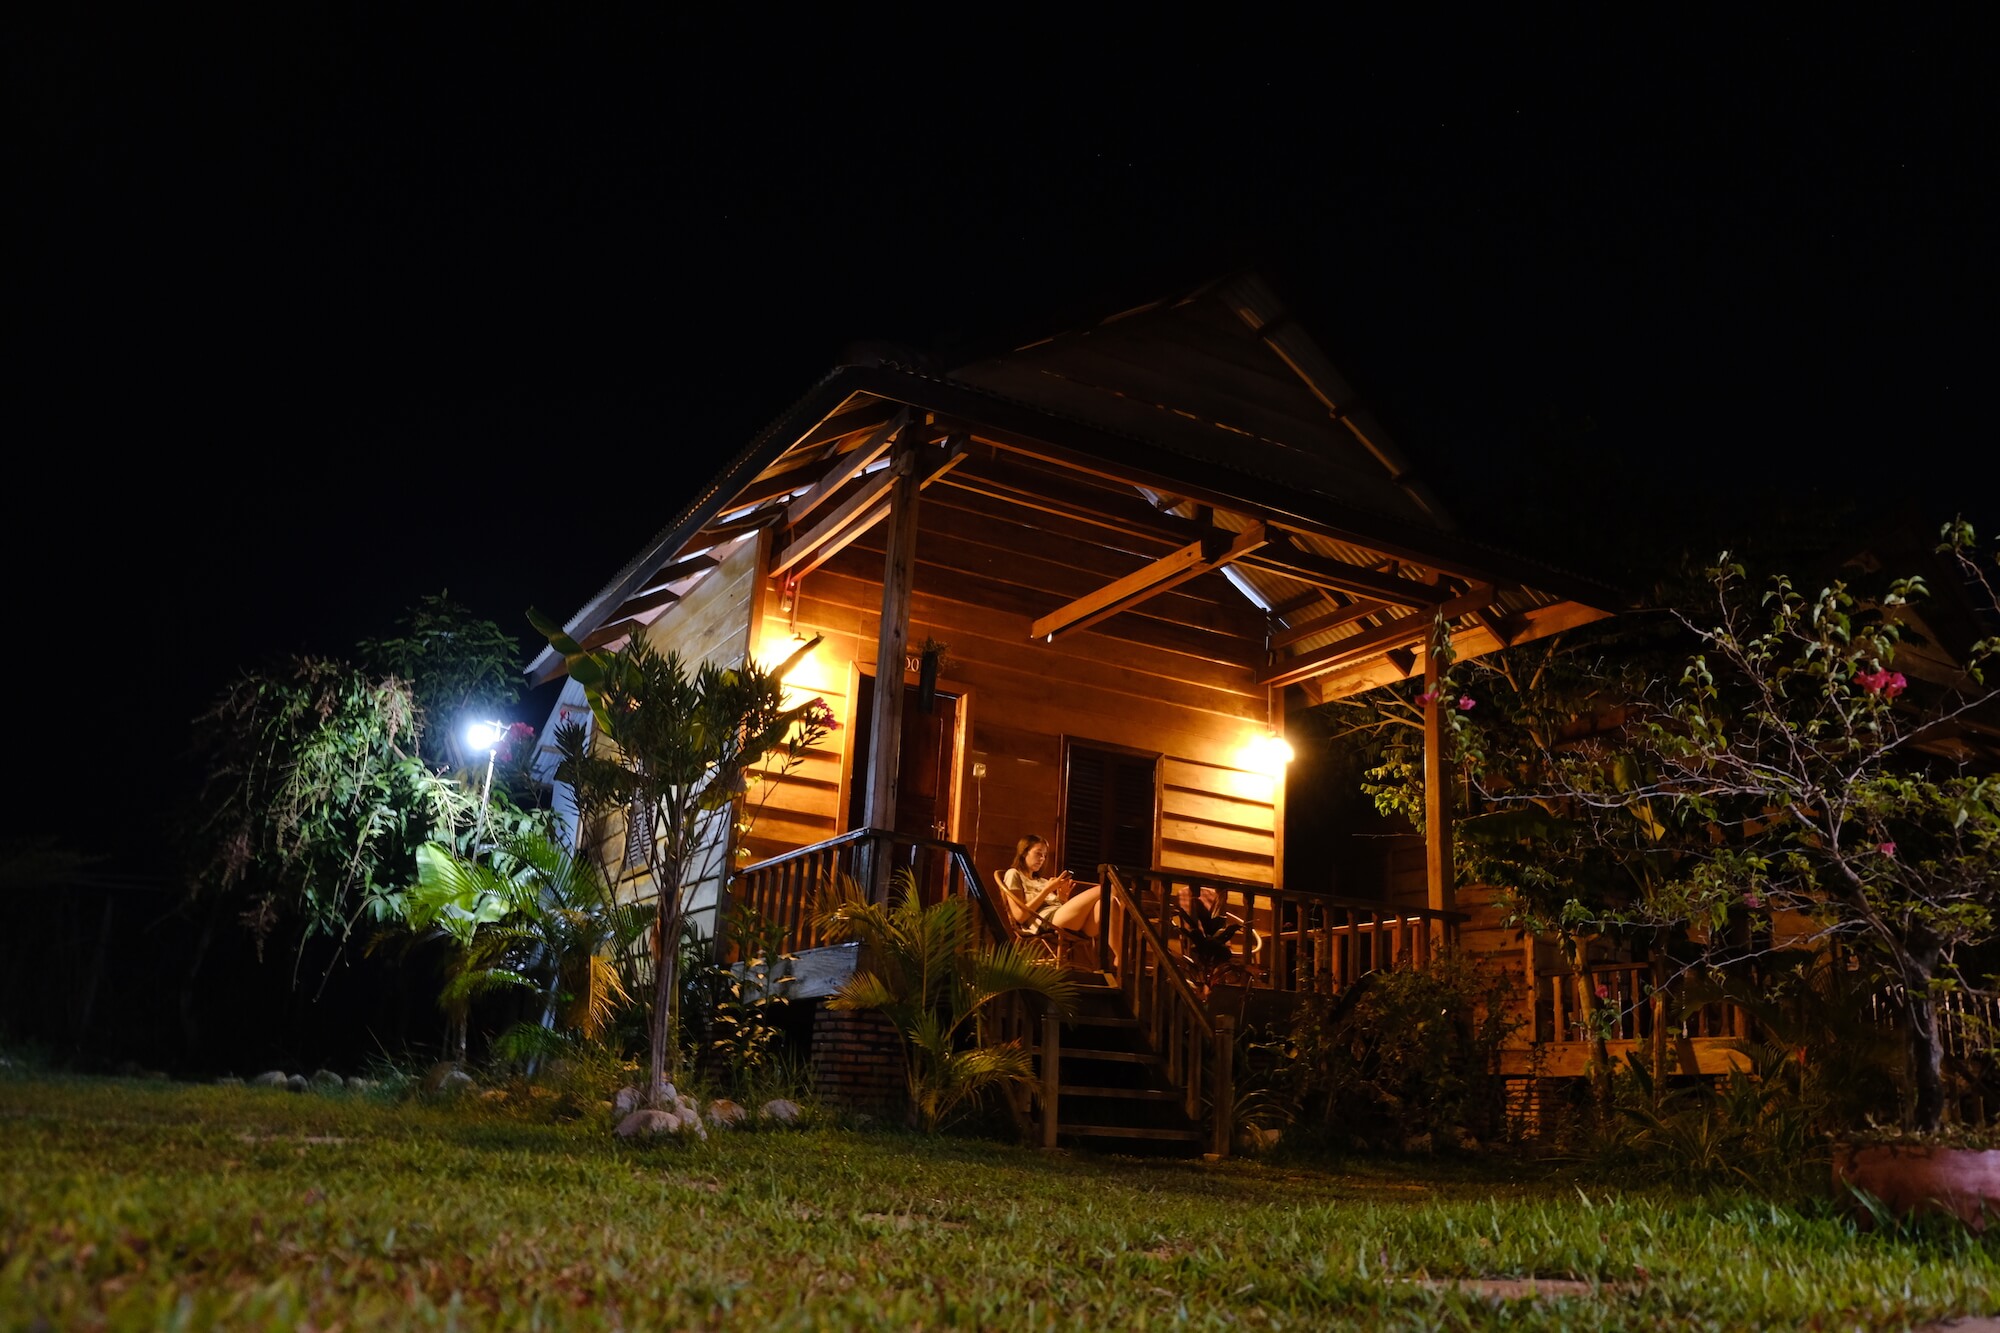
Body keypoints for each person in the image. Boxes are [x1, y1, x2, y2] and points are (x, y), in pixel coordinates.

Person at [1001, 834, 1104, 938]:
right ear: (1024, 853)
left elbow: (1058, 907)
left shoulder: (1043, 881)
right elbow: (1020, 916)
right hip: (1044, 921)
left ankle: (1118, 955)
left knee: (1109, 902)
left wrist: (1062, 898)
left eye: (1044, 855)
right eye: (1038, 853)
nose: (1042, 858)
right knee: (1104, 889)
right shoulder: (1014, 874)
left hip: (1060, 918)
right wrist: (1047, 889)